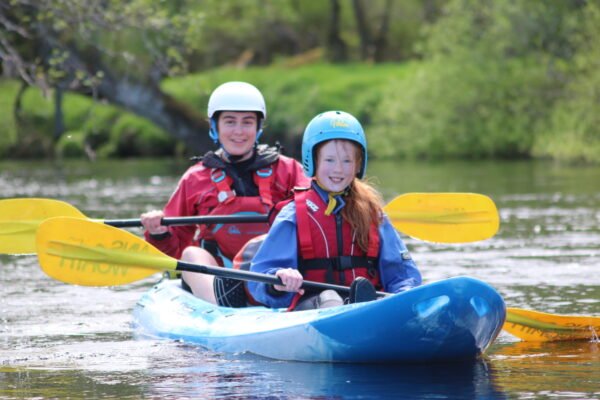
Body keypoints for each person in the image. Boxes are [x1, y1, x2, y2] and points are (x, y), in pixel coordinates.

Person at [141, 81, 309, 306]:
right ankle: (221, 309)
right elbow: (175, 253)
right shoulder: (195, 179)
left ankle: (272, 296)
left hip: (275, 274)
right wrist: (159, 232)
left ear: (258, 128)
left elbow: (314, 222)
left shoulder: (289, 171)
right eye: (230, 122)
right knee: (191, 254)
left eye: (247, 122)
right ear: (215, 126)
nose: (239, 131)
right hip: (218, 278)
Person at [248, 110, 422, 310]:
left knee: (380, 299)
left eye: (347, 161)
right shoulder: (293, 215)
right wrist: (279, 278)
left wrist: (405, 295)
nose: (339, 169)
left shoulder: (373, 214)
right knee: (330, 297)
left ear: (358, 164)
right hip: (313, 307)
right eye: (329, 160)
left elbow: (402, 275)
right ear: (313, 161)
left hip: (366, 306)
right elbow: (260, 279)